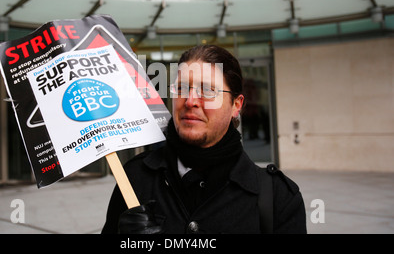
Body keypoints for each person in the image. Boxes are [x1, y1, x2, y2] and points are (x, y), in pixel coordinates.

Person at [102, 45, 306, 234]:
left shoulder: (277, 197)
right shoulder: (134, 178)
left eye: (207, 91)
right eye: (181, 88)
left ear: (236, 105)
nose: (190, 101)